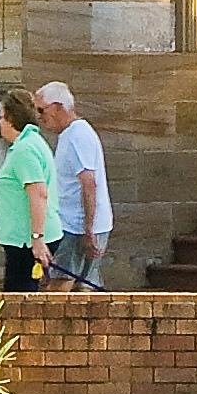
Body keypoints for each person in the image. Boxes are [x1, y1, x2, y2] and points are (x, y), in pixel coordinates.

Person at [40, 80, 112, 290]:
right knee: (83, 287)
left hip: (76, 227)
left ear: (57, 107)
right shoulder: (71, 134)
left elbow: (89, 183)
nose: (39, 117)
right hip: (77, 225)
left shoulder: (78, 135)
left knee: (60, 284)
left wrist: (88, 230)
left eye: (41, 110)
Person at [0, 86, 63, 291]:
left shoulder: (25, 150)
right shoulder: (29, 144)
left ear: (12, 119)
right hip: (23, 239)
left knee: (18, 296)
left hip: (26, 241)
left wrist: (37, 239)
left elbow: (38, 193)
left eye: (1, 117)